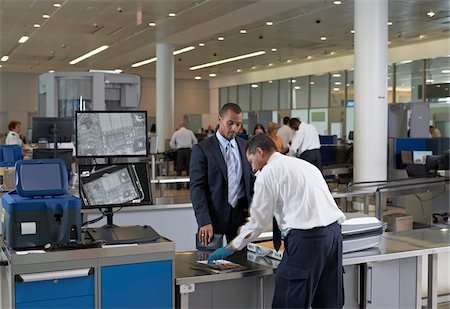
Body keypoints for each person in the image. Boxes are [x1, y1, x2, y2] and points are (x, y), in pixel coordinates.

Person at [208, 134, 346, 308]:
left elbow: (257, 223)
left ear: (259, 152)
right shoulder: (304, 165)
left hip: (308, 241)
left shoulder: (268, 173)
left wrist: (232, 247)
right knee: (328, 302)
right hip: (334, 236)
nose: (251, 168)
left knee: (288, 301)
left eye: (251, 161)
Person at [190, 103, 255, 245]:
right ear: (220, 119)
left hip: (240, 217)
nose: (234, 129)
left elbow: (250, 181)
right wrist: (204, 221)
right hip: (213, 218)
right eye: (230, 123)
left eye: (238, 124)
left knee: (242, 263)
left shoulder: (245, 146)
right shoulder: (202, 149)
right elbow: (197, 188)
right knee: (211, 263)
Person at [170, 122, 198, 189]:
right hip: (188, 150)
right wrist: (192, 147)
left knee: (179, 168)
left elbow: (171, 143)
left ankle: (178, 186)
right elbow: (195, 141)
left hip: (180, 151)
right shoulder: (190, 132)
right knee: (189, 168)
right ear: (185, 126)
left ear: (180, 126)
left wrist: (176, 147)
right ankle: (189, 185)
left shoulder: (176, 133)